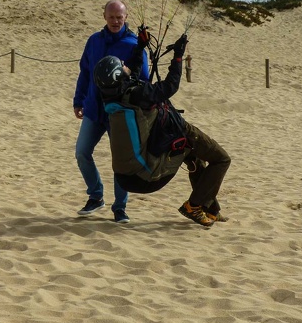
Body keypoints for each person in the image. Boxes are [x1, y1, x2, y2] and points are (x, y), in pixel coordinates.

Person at [93, 30, 231, 227]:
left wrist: (140, 46)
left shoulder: (112, 95)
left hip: (126, 178)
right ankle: (194, 206)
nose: (125, 66)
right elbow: (170, 86)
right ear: (118, 75)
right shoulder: (139, 95)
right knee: (221, 159)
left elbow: (130, 69)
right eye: (121, 66)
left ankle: (210, 209)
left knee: (192, 154)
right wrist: (177, 56)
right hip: (147, 177)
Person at [73, 0, 149, 223]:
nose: (115, 21)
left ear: (125, 18)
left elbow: (143, 78)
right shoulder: (94, 41)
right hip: (94, 110)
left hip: (119, 113)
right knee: (81, 152)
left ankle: (120, 207)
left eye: (119, 17)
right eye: (112, 17)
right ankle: (96, 196)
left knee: (121, 161)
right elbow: (85, 72)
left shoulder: (134, 44)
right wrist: (79, 100)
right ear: (104, 17)